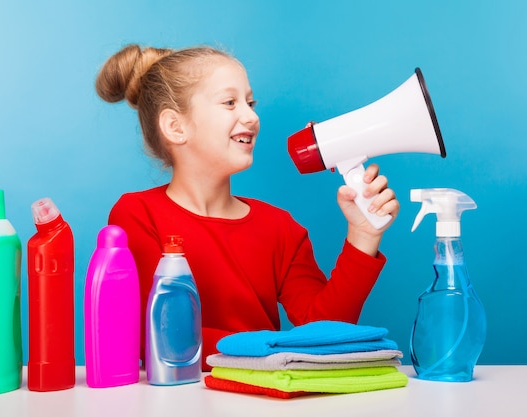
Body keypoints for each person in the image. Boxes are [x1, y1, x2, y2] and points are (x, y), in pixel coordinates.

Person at [95, 44, 400, 371]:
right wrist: (269, 350)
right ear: (175, 127)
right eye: (230, 103)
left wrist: (363, 238)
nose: (252, 116)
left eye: (251, 103)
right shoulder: (137, 215)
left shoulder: (280, 228)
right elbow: (156, 336)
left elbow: (325, 332)